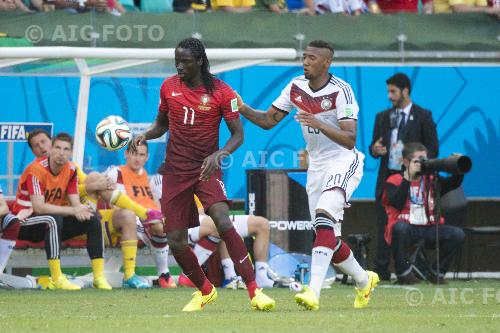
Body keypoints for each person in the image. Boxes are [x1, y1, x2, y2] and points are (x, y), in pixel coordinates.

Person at [131, 37, 275, 312]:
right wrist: (144, 135)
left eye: (185, 61)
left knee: (221, 218)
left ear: (199, 61)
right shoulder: (168, 87)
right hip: (175, 170)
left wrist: (218, 155)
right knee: (175, 239)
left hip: (207, 167)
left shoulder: (223, 92)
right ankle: (205, 290)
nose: (179, 66)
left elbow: (238, 135)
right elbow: (161, 125)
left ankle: (254, 290)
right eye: (177, 60)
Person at [237, 40, 379, 311]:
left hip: (343, 161)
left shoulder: (342, 91)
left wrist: (318, 122)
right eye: (304, 57)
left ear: (326, 63)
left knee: (325, 215)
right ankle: (364, 280)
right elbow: (268, 121)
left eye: (312, 58)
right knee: (330, 238)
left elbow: (350, 139)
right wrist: (244, 109)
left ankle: (313, 291)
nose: (305, 62)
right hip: (316, 167)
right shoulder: (295, 87)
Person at [27, 129, 162, 289]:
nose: (41, 147)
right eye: (36, 146)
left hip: (83, 217)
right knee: (93, 182)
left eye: (44, 142)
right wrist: (94, 186)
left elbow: (81, 188)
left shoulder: (72, 167)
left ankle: (129, 275)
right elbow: (54, 199)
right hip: (56, 222)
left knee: (125, 213)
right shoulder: (36, 170)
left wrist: (98, 185)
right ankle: (164, 271)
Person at [10, 133, 111, 290]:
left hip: (51, 225)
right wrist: (73, 209)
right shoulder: (35, 170)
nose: (61, 153)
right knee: (53, 219)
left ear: (70, 153)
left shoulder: (71, 170)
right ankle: (57, 278)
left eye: (66, 149)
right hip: (24, 225)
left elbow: (75, 202)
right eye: (57, 148)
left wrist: (82, 211)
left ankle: (99, 277)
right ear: (50, 149)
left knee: (92, 220)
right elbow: (39, 207)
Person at [149, 172, 275, 289]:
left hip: (211, 218)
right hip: (193, 222)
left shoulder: (207, 171)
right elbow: (168, 210)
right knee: (220, 226)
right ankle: (228, 276)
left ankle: (261, 276)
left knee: (262, 224)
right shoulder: (167, 177)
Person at [369, 72, 438, 281]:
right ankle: (380, 271)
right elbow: (374, 146)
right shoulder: (382, 116)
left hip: (412, 181)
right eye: (388, 91)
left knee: (406, 225)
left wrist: (415, 167)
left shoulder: (424, 116)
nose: (389, 96)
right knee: (384, 224)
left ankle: (409, 269)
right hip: (388, 179)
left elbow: (433, 149)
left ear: (405, 91)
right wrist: (375, 149)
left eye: (393, 91)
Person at [382, 143, 465, 284]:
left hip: (429, 228)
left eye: (425, 159)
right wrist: (408, 178)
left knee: (457, 234)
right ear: (407, 162)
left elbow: (453, 183)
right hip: (406, 228)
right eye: (419, 160)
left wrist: (458, 167)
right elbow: (396, 203)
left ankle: (436, 272)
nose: (424, 163)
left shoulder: (432, 180)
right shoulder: (394, 180)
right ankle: (404, 274)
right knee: (400, 228)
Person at [104, 142, 176, 289]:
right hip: (126, 220)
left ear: (147, 157)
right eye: (134, 153)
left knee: (165, 224)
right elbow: (112, 202)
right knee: (158, 226)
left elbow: (152, 202)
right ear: (126, 154)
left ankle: (182, 275)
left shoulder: (143, 175)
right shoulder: (116, 172)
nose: (137, 158)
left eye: (141, 154)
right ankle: (163, 274)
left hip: (145, 220)